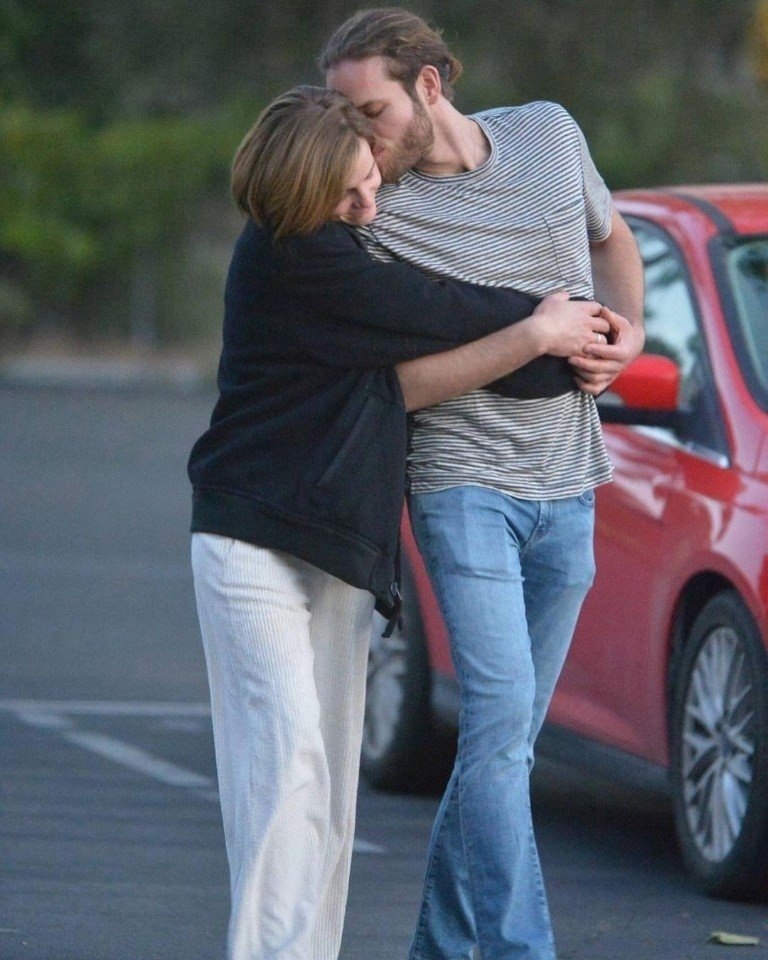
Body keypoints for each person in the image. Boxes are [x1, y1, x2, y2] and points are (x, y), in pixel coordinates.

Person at [187, 85, 611, 960]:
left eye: (371, 183)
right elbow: (440, 311)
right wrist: (551, 329)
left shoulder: (348, 245)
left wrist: (573, 339)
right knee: (288, 765)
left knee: (329, 793)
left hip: (339, 557)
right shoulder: (299, 258)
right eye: (348, 192)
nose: (368, 206)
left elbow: (451, 342)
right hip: (254, 546)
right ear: (301, 187)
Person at [320, 10, 645, 960]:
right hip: (461, 485)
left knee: (505, 747)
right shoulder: (371, 213)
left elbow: (614, 241)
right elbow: (391, 389)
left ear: (429, 85)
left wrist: (627, 337)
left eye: (370, 110)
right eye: (343, 115)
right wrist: (529, 338)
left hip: (572, 482)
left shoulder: (550, 135)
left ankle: (439, 948)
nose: (357, 136)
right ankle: (521, 949)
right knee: (499, 728)